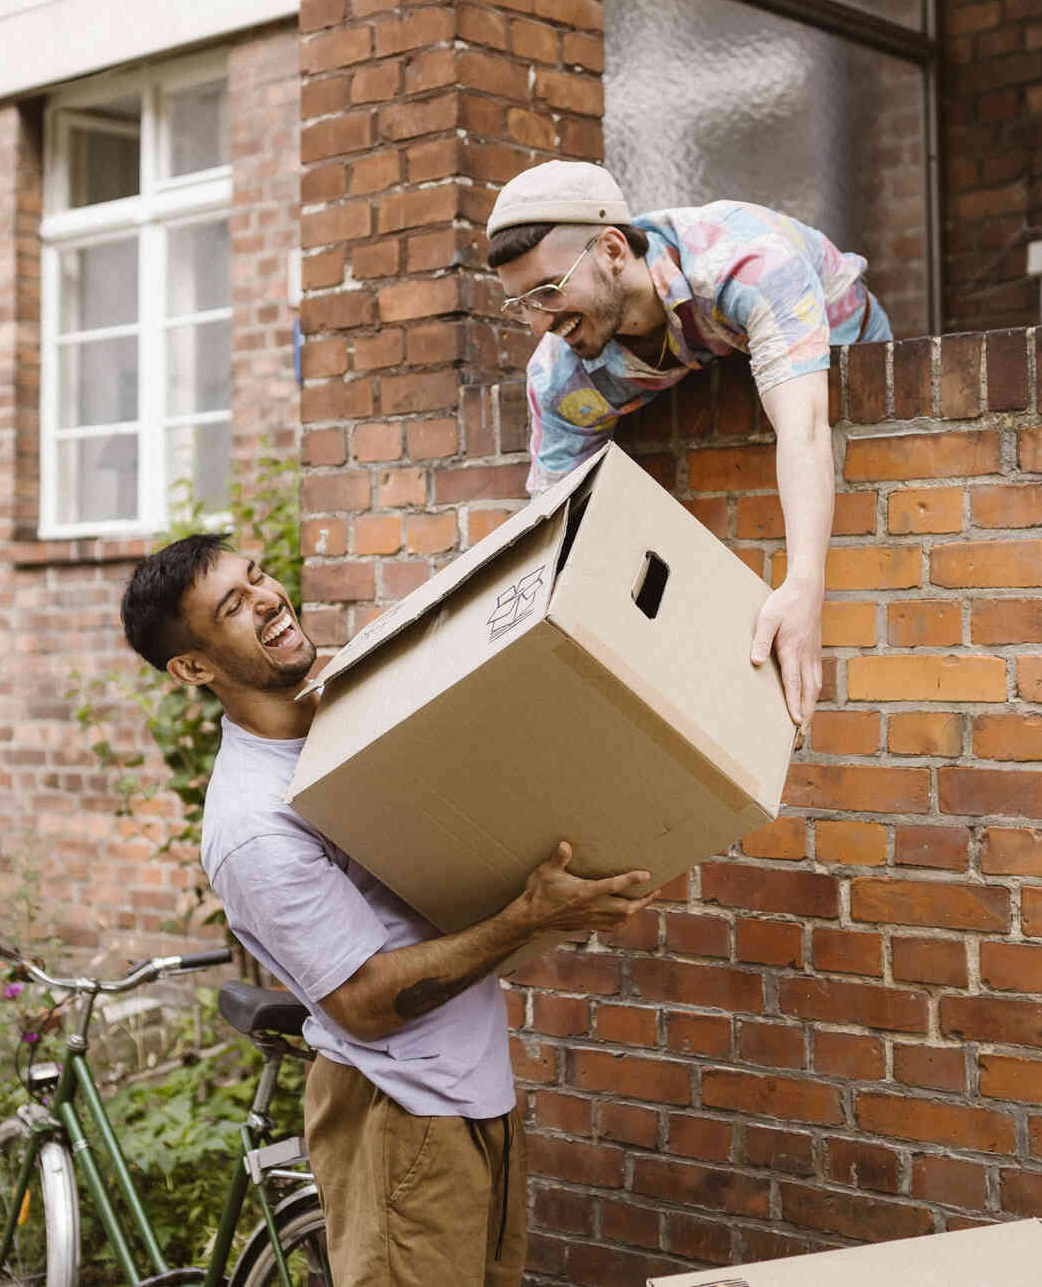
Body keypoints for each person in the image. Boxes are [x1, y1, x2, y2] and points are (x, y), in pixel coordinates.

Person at [119, 534, 655, 1287]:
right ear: (193, 667)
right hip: (401, 1117)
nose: (268, 600)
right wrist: (527, 917)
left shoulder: (352, 708)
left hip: (472, 1093)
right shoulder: (252, 826)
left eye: (258, 577)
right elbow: (363, 1002)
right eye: (232, 607)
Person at [486, 160, 891, 731]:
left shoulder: (745, 261)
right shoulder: (559, 378)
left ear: (610, 249)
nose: (537, 323)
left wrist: (804, 585)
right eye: (519, 304)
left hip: (843, 347)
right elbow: (555, 525)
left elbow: (803, 428)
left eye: (547, 292)